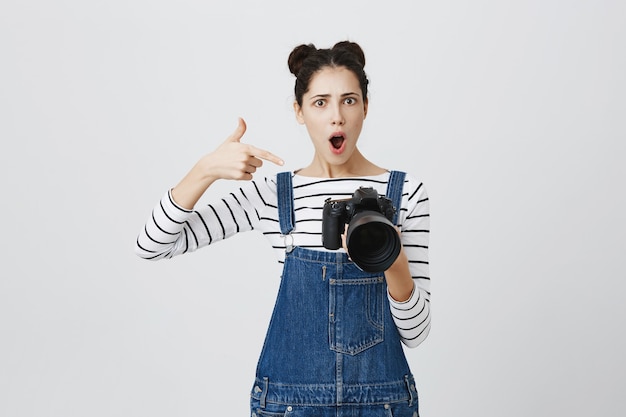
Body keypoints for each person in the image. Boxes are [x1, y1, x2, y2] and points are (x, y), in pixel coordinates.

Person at [135, 40, 431, 417]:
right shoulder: (274, 195)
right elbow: (152, 245)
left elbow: (416, 334)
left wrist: (392, 259)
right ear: (300, 111)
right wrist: (205, 170)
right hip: (291, 406)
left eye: (349, 100)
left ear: (366, 108)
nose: (336, 117)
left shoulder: (406, 193)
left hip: (383, 404)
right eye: (320, 102)